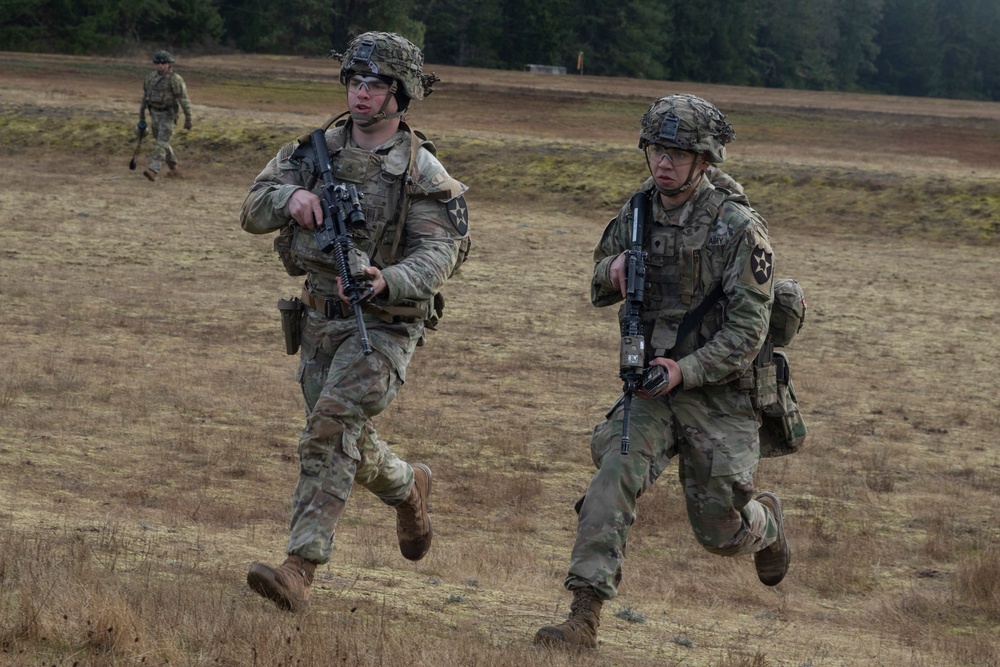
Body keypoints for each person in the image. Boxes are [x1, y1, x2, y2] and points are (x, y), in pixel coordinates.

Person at [534, 94, 789, 649]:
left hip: (720, 392)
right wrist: (614, 268)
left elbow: (746, 335)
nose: (663, 162)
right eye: (655, 149)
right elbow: (598, 283)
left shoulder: (737, 228)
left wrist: (685, 370)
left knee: (719, 532)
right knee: (613, 473)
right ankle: (583, 618)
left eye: (677, 152)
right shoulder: (636, 212)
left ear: (704, 160)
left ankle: (766, 523)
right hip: (651, 386)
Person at [239, 31, 470, 613]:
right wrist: (289, 199)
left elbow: (442, 253)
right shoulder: (312, 149)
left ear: (401, 94)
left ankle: (300, 568)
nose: (361, 94)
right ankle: (408, 487)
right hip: (318, 321)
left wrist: (384, 279)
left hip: (384, 325)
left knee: (328, 427)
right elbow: (252, 207)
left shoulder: (420, 169)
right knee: (343, 437)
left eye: (375, 84)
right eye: (354, 81)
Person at [137, 50, 193, 182]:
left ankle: (153, 169)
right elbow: (145, 97)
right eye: (158, 63)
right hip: (155, 114)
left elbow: (184, 99)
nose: (160, 65)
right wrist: (141, 117)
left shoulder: (175, 80)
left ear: (169, 64)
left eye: (163, 63)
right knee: (162, 142)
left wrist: (188, 118)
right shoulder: (151, 78)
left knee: (161, 143)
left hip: (168, 114)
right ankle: (173, 166)